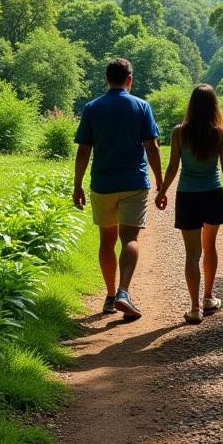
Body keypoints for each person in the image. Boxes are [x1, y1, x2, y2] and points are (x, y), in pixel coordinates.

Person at [154, 84, 223, 324]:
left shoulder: (179, 132)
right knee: (210, 246)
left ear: (191, 105)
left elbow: (173, 167)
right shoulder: (221, 133)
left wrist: (162, 191)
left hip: (188, 195)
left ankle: (195, 307)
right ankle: (208, 297)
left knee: (191, 253)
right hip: (212, 194)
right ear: (214, 106)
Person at [73, 57, 162, 320]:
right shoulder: (142, 106)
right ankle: (124, 291)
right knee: (130, 239)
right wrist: (160, 182)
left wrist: (77, 185)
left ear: (106, 79)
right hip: (133, 183)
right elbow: (152, 147)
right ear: (130, 80)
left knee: (107, 241)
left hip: (102, 184)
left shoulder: (92, 108)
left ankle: (111, 296)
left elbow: (83, 149)